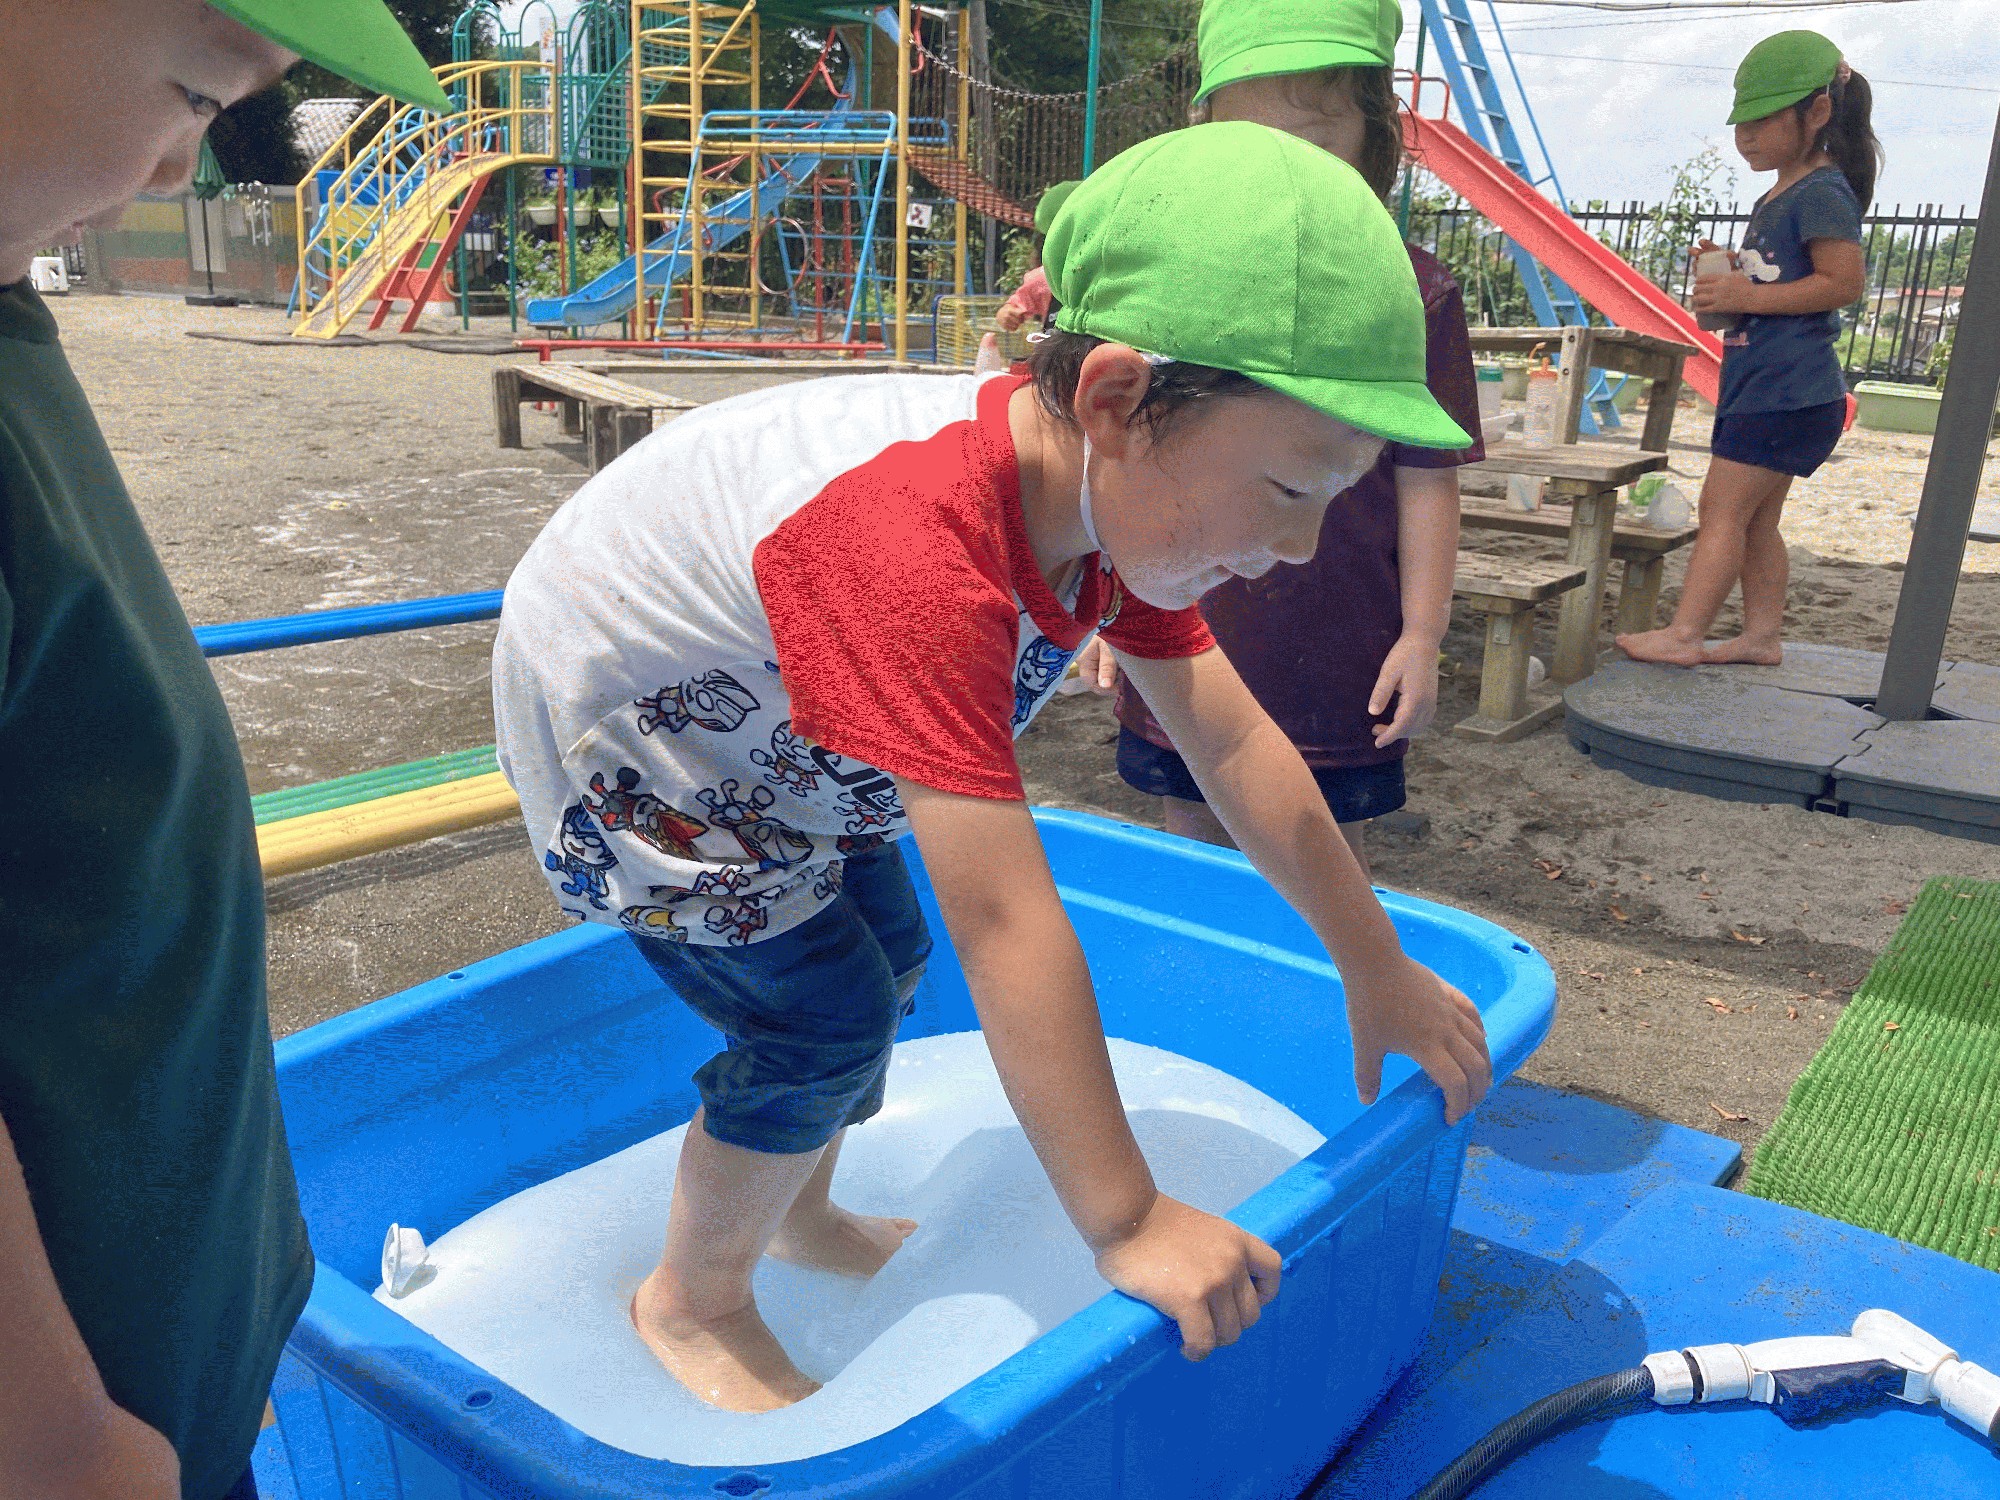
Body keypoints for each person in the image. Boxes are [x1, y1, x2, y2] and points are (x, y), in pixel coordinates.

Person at [492, 122, 1492, 1416]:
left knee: (885, 952)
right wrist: (1126, 1220)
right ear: (1115, 402)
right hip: (645, 742)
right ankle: (695, 1296)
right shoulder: (918, 548)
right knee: (819, 1018)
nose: (1300, 551)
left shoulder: (1103, 505)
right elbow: (1006, 920)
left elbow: (1235, 742)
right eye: (1288, 491)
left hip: (772, 715)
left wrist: (1373, 961)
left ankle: (796, 1211)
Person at [0, 5, 447, 1499]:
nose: (181, 170)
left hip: (153, 1352)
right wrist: (61, 1441)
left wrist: (214, 1333)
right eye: (196, 93)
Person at [1086, 0, 1481, 879]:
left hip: (1337, 632)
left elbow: (1428, 476)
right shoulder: (1170, 283)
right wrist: (1108, 606)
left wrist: (1424, 632)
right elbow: (1117, 457)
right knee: (1191, 834)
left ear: (1373, 134)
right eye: (1248, 141)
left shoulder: (1411, 293)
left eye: (1308, 141)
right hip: (1190, 618)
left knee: (1326, 848)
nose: (1279, 172)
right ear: (1204, 134)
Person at [1617, 30, 1877, 668]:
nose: (1746, 137)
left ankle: (1685, 635)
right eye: (1741, 123)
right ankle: (1761, 638)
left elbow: (1843, 283)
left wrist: (1748, 294)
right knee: (1757, 521)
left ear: (1818, 111)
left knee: (1721, 512)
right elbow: (1786, 280)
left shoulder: (1821, 191)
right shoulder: (1784, 192)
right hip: (1770, 387)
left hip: (1786, 389)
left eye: (1763, 121)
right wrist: (1733, 277)